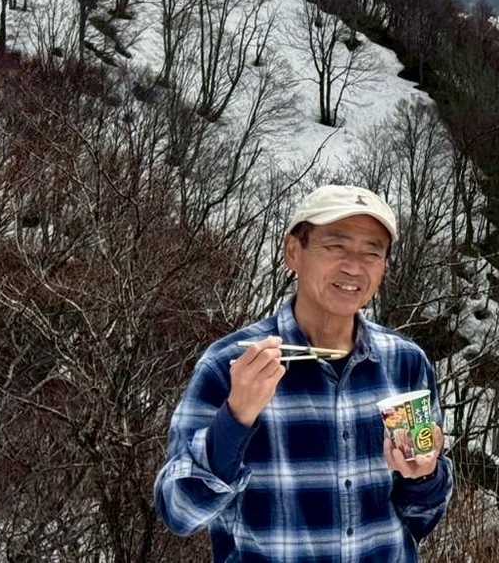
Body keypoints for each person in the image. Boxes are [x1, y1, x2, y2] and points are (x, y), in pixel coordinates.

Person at [155, 184, 454, 562]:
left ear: (384, 268)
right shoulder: (232, 365)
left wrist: (424, 476)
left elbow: (423, 516)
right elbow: (179, 512)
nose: (354, 266)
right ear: (293, 252)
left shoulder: (404, 363)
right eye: (336, 246)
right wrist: (235, 419)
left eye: (372, 252)